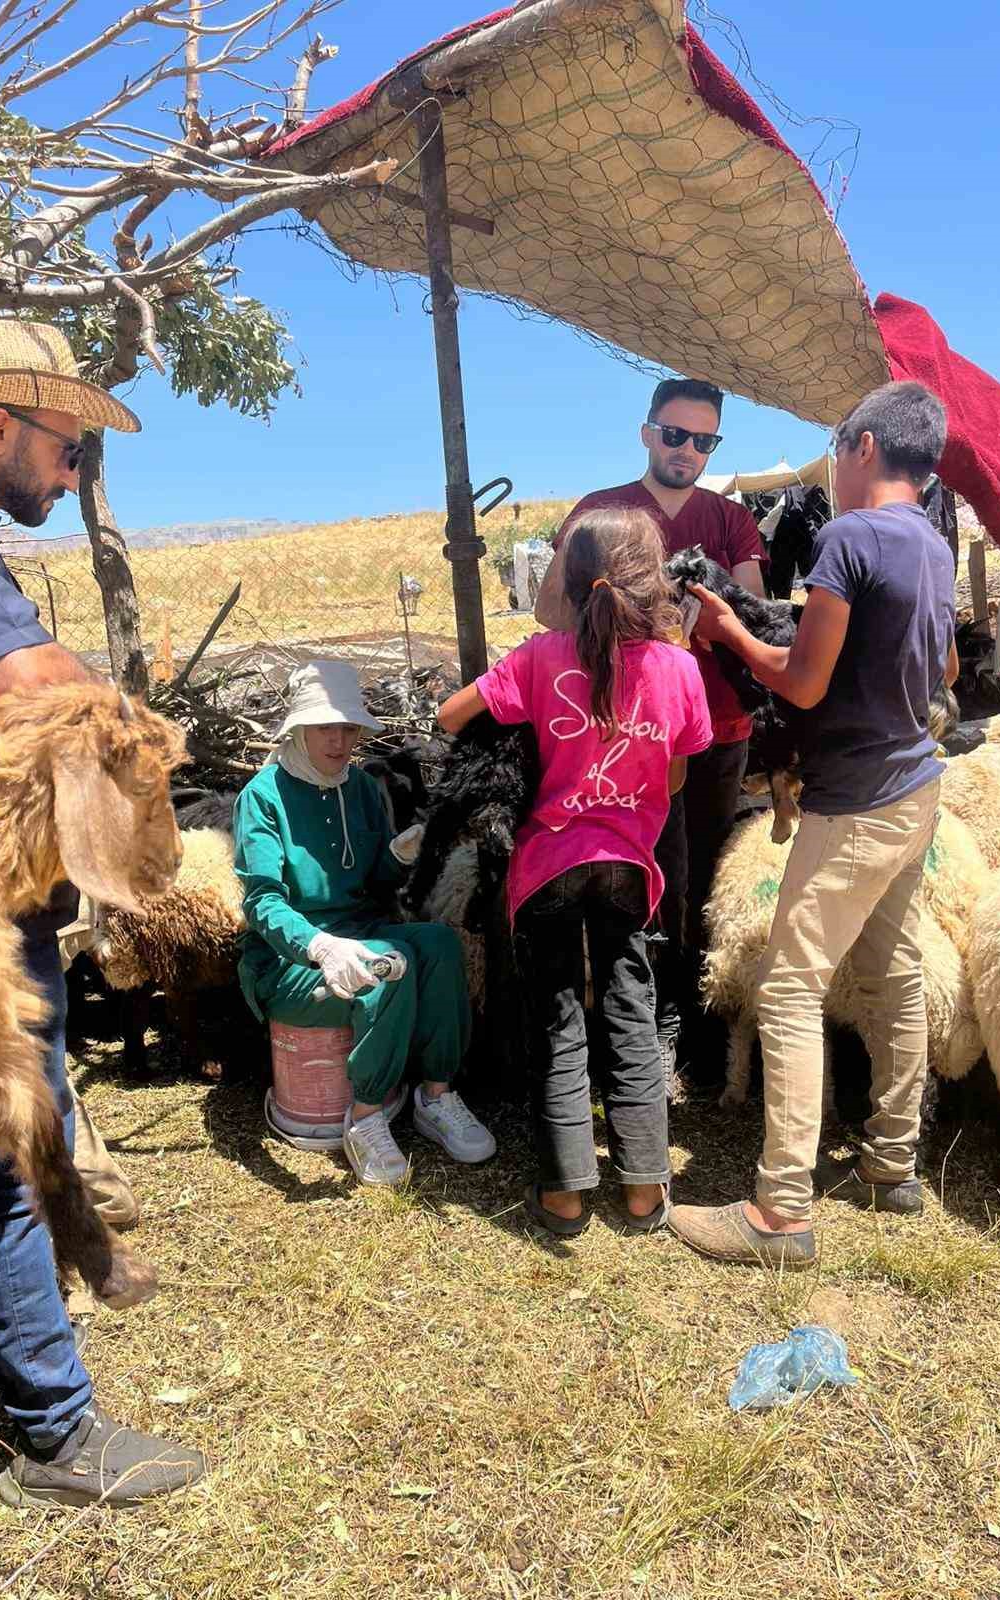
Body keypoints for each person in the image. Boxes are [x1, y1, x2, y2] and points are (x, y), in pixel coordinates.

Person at [0, 317, 206, 1506]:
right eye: (68, 450)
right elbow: (33, 683)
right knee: (16, 1136)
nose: (72, 474)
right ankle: (57, 1432)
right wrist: (110, 701)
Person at [668, 381, 961, 1270]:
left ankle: (780, 1214)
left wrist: (725, 631)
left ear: (862, 447)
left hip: (854, 799)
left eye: (838, 452)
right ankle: (891, 1160)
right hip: (916, 787)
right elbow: (944, 661)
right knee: (896, 968)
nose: (833, 468)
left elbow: (798, 684)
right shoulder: (933, 545)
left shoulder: (849, 537)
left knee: (790, 988)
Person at [439, 507, 712, 1234]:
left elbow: (448, 716)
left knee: (557, 1014)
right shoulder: (679, 668)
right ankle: (645, 1189)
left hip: (549, 863)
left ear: (570, 577)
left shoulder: (539, 658)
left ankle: (564, 1195)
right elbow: (678, 780)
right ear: (651, 581)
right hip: (628, 862)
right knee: (631, 1007)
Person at [534, 378, 766, 1082]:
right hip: (621, 737)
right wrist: (637, 633)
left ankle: (691, 1021)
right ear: (646, 433)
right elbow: (551, 611)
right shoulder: (598, 515)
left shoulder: (730, 520)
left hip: (717, 727)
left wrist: (718, 599)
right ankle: (639, 1027)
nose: (688, 451)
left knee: (704, 868)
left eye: (704, 440)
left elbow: (754, 612)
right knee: (639, 876)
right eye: (675, 435)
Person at [235, 659, 496, 1187]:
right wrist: (320, 947)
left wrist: (402, 853)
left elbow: (376, 881)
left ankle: (436, 1095)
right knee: (388, 967)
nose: (339, 740)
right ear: (298, 729)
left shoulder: (361, 787)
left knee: (442, 945)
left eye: (348, 728)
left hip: (363, 928)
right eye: (325, 727)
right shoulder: (262, 797)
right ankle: (366, 1116)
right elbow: (262, 903)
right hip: (290, 958)